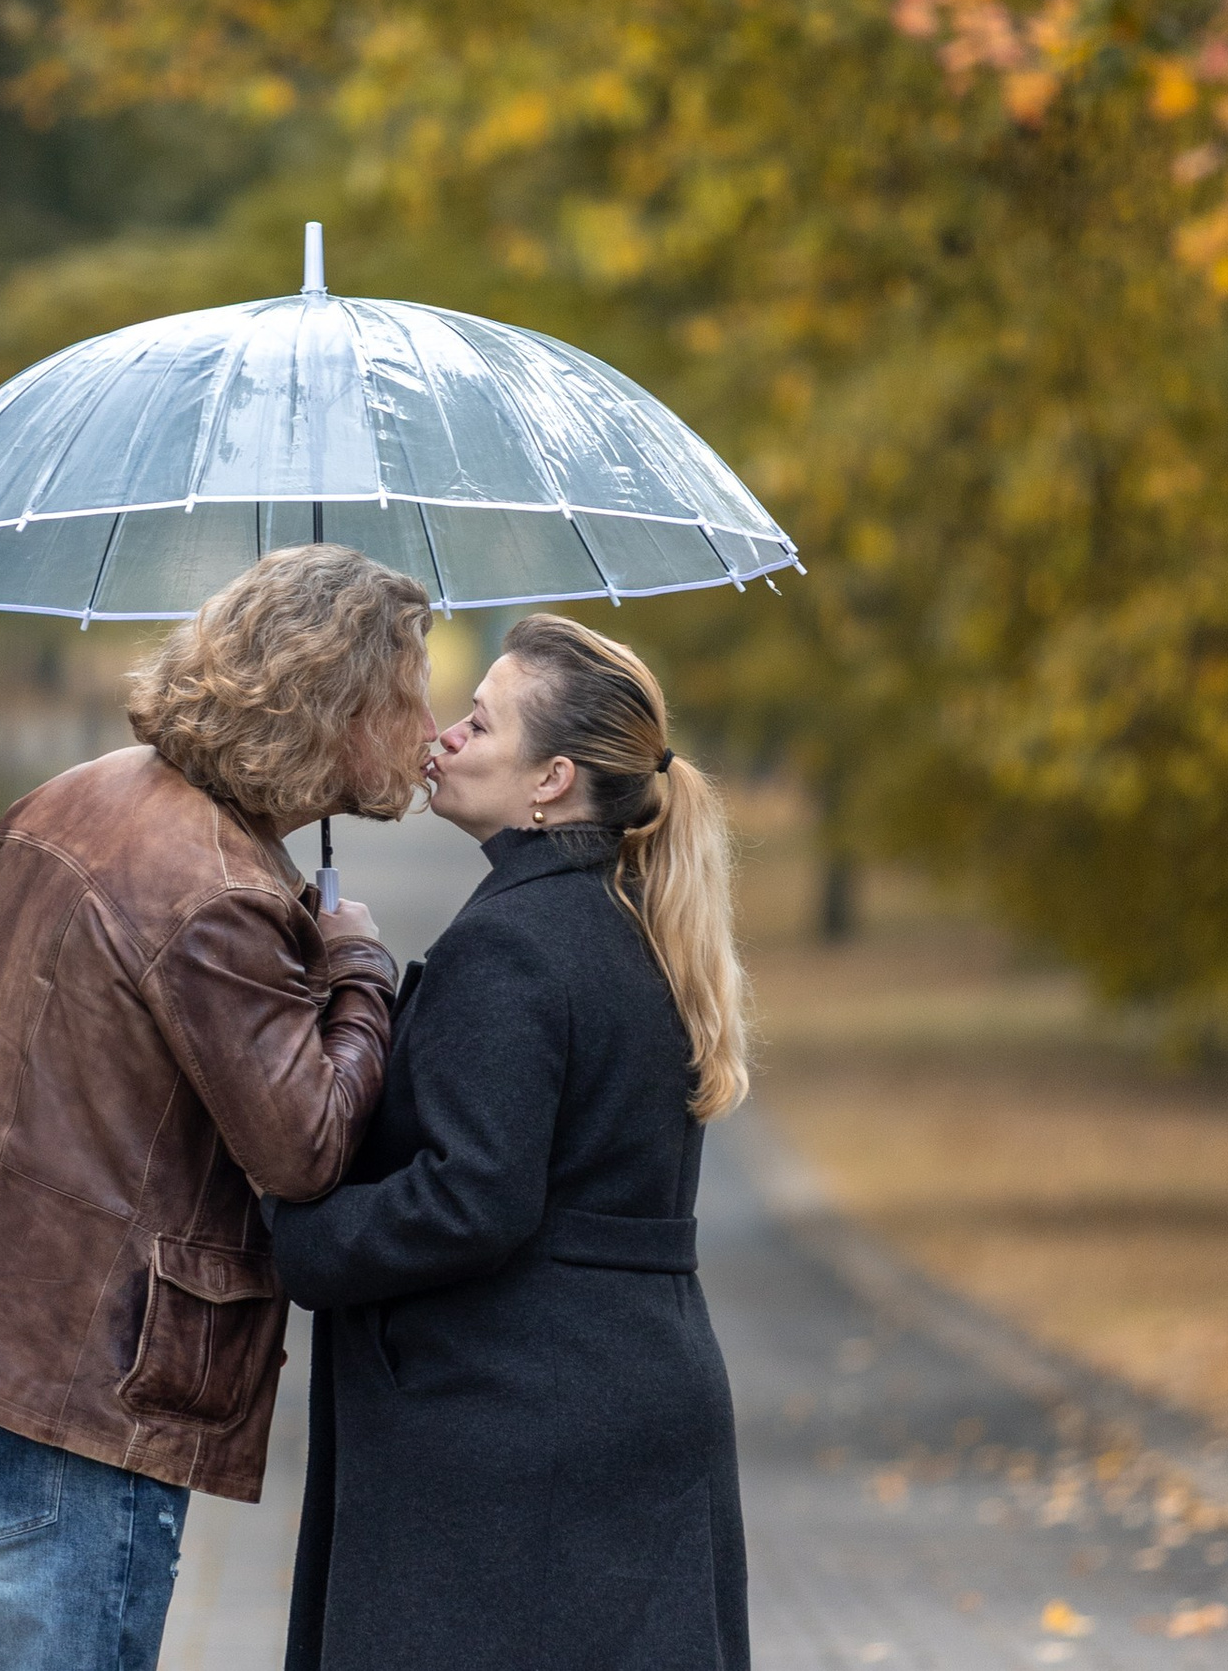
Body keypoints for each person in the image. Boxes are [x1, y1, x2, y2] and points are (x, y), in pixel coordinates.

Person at [0, 544, 439, 1671]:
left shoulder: (81, 793)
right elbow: (304, 1150)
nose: (426, 724)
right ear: (336, 705)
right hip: (63, 1369)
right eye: (407, 693)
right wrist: (358, 975)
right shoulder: (219, 895)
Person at [271, 613, 754, 1671]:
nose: (443, 736)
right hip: (624, 1405)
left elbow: (472, 1196)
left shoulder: (513, 944)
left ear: (552, 781)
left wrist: (299, 1238)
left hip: (512, 1435)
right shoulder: (627, 922)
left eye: (479, 723)